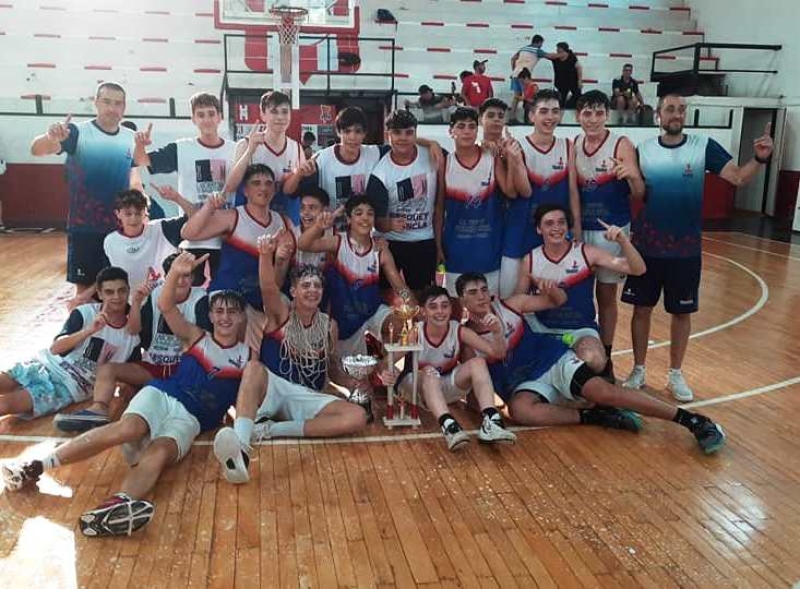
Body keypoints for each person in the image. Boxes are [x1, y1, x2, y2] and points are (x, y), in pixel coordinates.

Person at [1, 253, 249, 538]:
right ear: (212, 316)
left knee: (158, 454)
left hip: (191, 419)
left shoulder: (249, 359)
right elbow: (166, 305)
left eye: (232, 311)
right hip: (162, 395)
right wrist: (175, 274)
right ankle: (33, 467)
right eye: (219, 311)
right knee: (129, 427)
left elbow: (249, 399)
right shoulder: (197, 337)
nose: (225, 317)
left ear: (242, 317)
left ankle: (114, 508)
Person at [457, 272, 727, 454]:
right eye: (473, 292)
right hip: (524, 383)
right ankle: (594, 416)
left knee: (605, 392)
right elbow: (475, 388)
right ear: (463, 300)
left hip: (551, 359)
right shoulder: (467, 339)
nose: (481, 295)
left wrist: (553, 291)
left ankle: (692, 420)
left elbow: (554, 301)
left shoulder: (511, 306)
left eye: (483, 289)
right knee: (520, 411)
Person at [621, 94, 774, 401]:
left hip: (685, 250)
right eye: (669, 109)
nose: (675, 114)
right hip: (647, 246)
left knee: (682, 313)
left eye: (680, 109)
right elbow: (637, 193)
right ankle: (638, 369)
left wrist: (758, 159)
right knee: (641, 309)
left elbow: (739, 179)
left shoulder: (704, 146)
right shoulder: (644, 150)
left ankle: (675, 374)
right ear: (658, 116)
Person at [53, 253, 211, 432]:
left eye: (187, 275)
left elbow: (204, 345)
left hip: (183, 370)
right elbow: (134, 330)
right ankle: (98, 410)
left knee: (146, 401)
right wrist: (136, 301)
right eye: (177, 275)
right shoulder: (156, 292)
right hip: (153, 367)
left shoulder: (201, 299)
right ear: (168, 277)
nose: (181, 281)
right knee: (108, 369)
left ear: (193, 278)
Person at [30, 82, 136, 308]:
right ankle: (79, 339)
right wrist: (51, 137)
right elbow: (37, 149)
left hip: (118, 230)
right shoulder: (77, 133)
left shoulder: (130, 138)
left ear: (124, 108)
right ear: (96, 103)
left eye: (117, 103)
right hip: (85, 228)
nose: (112, 108)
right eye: (107, 101)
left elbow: (134, 178)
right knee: (83, 295)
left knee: (117, 292)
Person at [514, 204, 646, 381]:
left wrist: (623, 241)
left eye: (561, 222)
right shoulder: (530, 260)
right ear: (539, 229)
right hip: (543, 329)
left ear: (568, 226)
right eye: (549, 223)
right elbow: (517, 304)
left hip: (578, 331)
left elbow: (638, 269)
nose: (556, 228)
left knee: (596, 360)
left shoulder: (586, 252)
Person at [0, 267, 140, 420]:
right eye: (109, 292)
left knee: (4, 405)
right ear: (99, 294)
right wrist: (89, 330)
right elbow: (55, 349)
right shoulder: (85, 313)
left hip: (67, 388)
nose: (117, 297)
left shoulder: (132, 336)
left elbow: (129, 378)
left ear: (128, 291)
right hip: (44, 365)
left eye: (122, 291)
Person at [573, 90, 645, 378]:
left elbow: (639, 194)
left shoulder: (621, 143)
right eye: (587, 113)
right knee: (579, 294)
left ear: (607, 115)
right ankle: (582, 352)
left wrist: (633, 176)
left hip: (611, 231)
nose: (592, 119)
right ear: (578, 116)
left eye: (598, 113)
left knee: (605, 295)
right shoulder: (574, 144)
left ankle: (608, 355)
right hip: (581, 229)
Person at [133, 92, 237, 284]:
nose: (207, 119)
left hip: (226, 236)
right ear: (193, 119)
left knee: (224, 293)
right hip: (192, 237)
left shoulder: (235, 150)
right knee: (189, 292)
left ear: (220, 117)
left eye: (211, 113)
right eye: (201, 114)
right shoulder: (181, 148)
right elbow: (143, 160)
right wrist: (140, 145)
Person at [399, 286, 516, 451]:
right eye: (433, 306)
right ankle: (449, 426)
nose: (440, 311)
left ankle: (491, 420)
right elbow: (389, 360)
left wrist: (497, 332)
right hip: (416, 388)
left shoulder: (458, 330)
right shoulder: (415, 332)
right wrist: (385, 373)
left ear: (451, 308)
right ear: (423, 311)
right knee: (431, 373)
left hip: (443, 387)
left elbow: (497, 353)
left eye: (445, 305)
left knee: (478, 363)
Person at [297, 193, 412, 360]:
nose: (365, 218)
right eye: (358, 213)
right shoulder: (337, 242)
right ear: (349, 220)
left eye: (370, 213)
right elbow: (303, 245)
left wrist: (417, 311)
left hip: (372, 312)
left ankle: (381, 372)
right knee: (344, 373)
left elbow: (399, 286)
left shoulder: (380, 249)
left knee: (397, 326)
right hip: (342, 319)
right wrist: (318, 227)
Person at [182, 163, 295, 311]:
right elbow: (188, 233)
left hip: (265, 299)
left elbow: (280, 275)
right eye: (256, 183)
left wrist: (281, 261)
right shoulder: (232, 217)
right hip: (229, 297)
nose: (263, 188)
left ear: (274, 189)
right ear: (245, 191)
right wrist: (209, 206)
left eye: (268, 184)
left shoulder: (285, 222)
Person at [500, 89, 579, 298]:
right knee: (510, 297)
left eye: (555, 111)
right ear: (531, 115)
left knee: (550, 298)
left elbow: (572, 190)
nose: (550, 117)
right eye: (544, 111)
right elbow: (524, 191)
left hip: (554, 233)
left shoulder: (568, 145)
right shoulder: (518, 147)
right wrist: (515, 161)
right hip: (520, 230)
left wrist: (576, 228)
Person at [437, 107, 512, 296]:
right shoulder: (445, 163)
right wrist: (438, 246)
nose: (467, 131)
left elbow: (511, 191)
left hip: (489, 247)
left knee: (491, 305)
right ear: (451, 131)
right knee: (454, 305)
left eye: (471, 126)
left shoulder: (491, 157)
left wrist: (509, 157)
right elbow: (438, 209)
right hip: (456, 249)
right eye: (461, 127)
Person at [369, 110, 441, 295]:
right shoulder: (380, 172)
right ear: (388, 135)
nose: (403, 138)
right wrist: (389, 224)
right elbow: (376, 221)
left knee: (422, 296)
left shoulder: (432, 155)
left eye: (409, 132)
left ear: (416, 134)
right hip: (390, 243)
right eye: (397, 133)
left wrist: (433, 143)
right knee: (386, 295)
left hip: (424, 241)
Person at [284, 107, 388, 232]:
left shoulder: (375, 153)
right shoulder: (321, 159)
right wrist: (299, 174)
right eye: (347, 131)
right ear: (338, 132)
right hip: (330, 233)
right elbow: (289, 192)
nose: (352, 137)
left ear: (365, 133)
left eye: (358, 131)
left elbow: (403, 146)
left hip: (362, 233)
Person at [224, 91, 306, 224]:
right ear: (263, 115)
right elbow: (230, 186)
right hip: (250, 224)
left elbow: (297, 192)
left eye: (285, 112)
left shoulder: (296, 148)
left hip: (285, 223)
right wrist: (250, 151)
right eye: (274, 111)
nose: (280, 117)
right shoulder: (245, 144)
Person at [103, 188, 194, 294]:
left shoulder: (163, 229)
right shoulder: (110, 241)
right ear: (117, 213)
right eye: (128, 214)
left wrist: (176, 198)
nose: (133, 219)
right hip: (128, 303)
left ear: (146, 212)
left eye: (138, 213)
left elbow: (196, 217)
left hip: (163, 298)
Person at [510, 34, 548, 123]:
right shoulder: (536, 50)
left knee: (516, 97)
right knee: (528, 97)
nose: (541, 45)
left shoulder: (523, 48)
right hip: (524, 76)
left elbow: (512, 59)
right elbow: (550, 56)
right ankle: (529, 119)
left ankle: (512, 118)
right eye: (541, 43)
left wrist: (514, 69)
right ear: (539, 42)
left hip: (515, 74)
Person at [550, 42, 583, 108]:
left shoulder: (572, 56)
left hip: (573, 80)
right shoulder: (555, 58)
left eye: (558, 48)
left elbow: (579, 68)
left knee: (578, 98)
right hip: (561, 82)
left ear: (562, 49)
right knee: (561, 101)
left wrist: (579, 81)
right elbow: (548, 56)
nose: (557, 50)